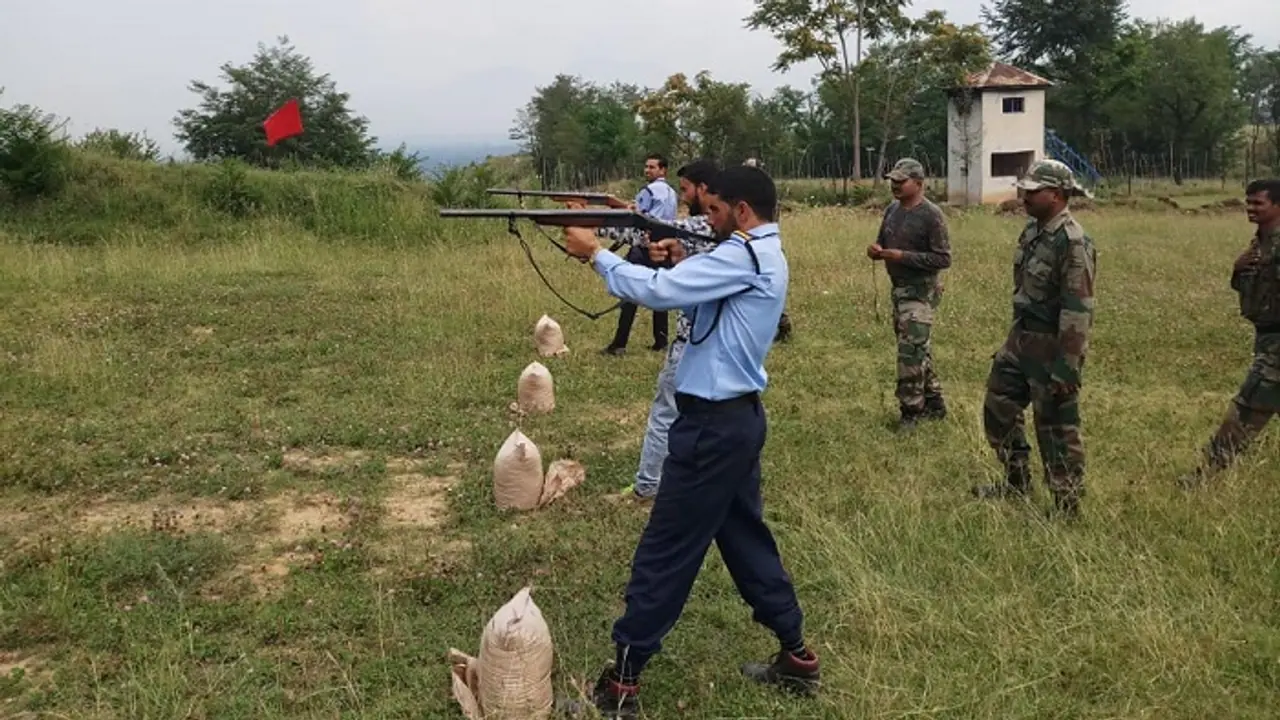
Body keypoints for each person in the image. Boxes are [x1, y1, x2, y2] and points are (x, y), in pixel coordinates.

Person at [560, 165, 818, 718]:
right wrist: (684, 259)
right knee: (747, 542)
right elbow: (710, 301)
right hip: (733, 423)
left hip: (712, 428)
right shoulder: (755, 252)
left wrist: (595, 254)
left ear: (742, 210)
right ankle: (797, 656)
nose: (707, 219)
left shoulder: (743, 253)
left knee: (666, 550)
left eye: (716, 211)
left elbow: (656, 293)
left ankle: (621, 685)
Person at [584, 158, 722, 501]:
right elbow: (655, 231)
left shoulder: (706, 228)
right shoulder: (721, 232)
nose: (684, 194)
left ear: (703, 189)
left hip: (693, 341)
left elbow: (652, 232)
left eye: (687, 188)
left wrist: (593, 232)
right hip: (710, 341)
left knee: (666, 412)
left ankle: (648, 484)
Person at [971, 159, 1097, 519]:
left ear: (1055, 195)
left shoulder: (1073, 243)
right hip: (1020, 337)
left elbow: (1078, 309)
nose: (1023, 196)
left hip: (1051, 344)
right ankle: (1016, 481)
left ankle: (1066, 505)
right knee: (998, 407)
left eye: (1032, 190)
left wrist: (1067, 367)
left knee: (1056, 426)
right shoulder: (1032, 232)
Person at [1178, 178, 1280, 489]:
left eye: (1258, 203)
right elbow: (1251, 285)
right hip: (1265, 336)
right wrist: (1237, 269)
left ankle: (1207, 475)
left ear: (1277, 205)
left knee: (1247, 407)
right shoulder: (1259, 243)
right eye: (1248, 202)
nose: (1250, 208)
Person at [866, 158, 951, 428]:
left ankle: (912, 410)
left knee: (909, 353)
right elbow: (883, 239)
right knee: (917, 348)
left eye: (901, 181)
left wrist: (902, 256)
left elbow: (942, 259)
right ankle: (934, 400)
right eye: (893, 181)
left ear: (919, 183)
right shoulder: (892, 210)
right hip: (899, 290)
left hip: (921, 292)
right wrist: (877, 250)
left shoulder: (932, 215)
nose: (895, 186)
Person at [601, 153, 679, 356]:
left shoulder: (649, 190)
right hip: (664, 247)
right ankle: (660, 340)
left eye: (652, 167)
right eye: (646, 167)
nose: (647, 170)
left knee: (629, 292)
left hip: (645, 247)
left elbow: (634, 216)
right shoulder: (672, 192)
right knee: (660, 293)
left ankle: (619, 343)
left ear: (663, 170)